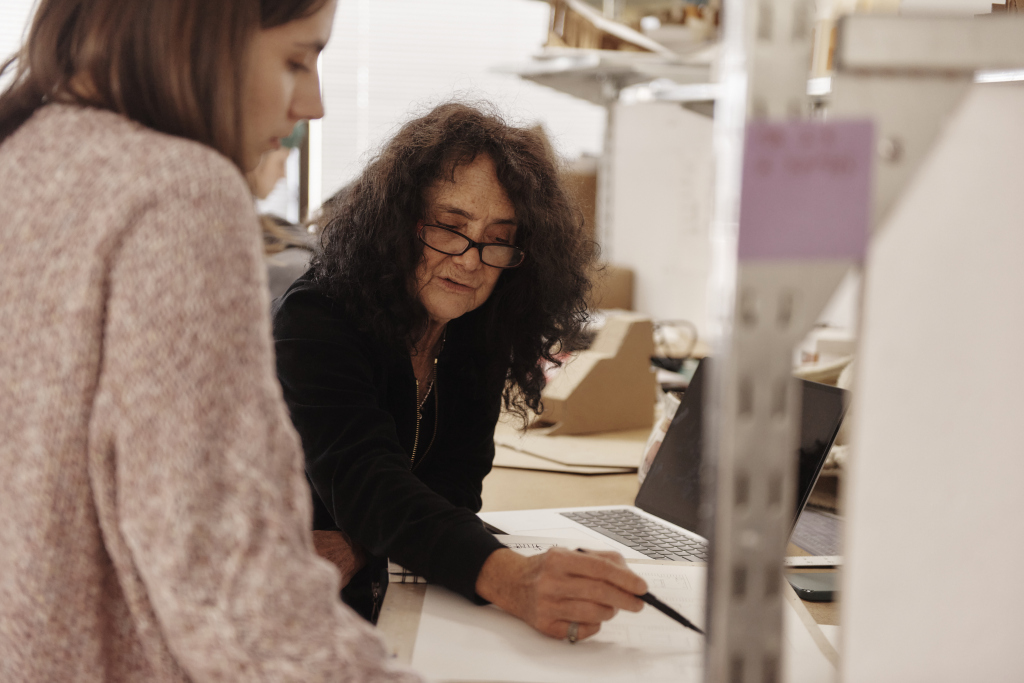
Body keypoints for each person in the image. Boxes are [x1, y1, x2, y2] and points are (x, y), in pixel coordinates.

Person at [0, 1, 419, 681]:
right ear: (196, 26)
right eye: (296, 59)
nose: (312, 103)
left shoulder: (21, 151)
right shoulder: (178, 194)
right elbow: (231, 588)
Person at [273, 102, 648, 640]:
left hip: (370, 591)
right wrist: (513, 579)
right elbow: (366, 483)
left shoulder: (477, 326)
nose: (472, 259)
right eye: (450, 227)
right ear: (398, 223)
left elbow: (455, 487)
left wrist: (360, 542)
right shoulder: (317, 318)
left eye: (498, 237)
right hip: (275, 601)